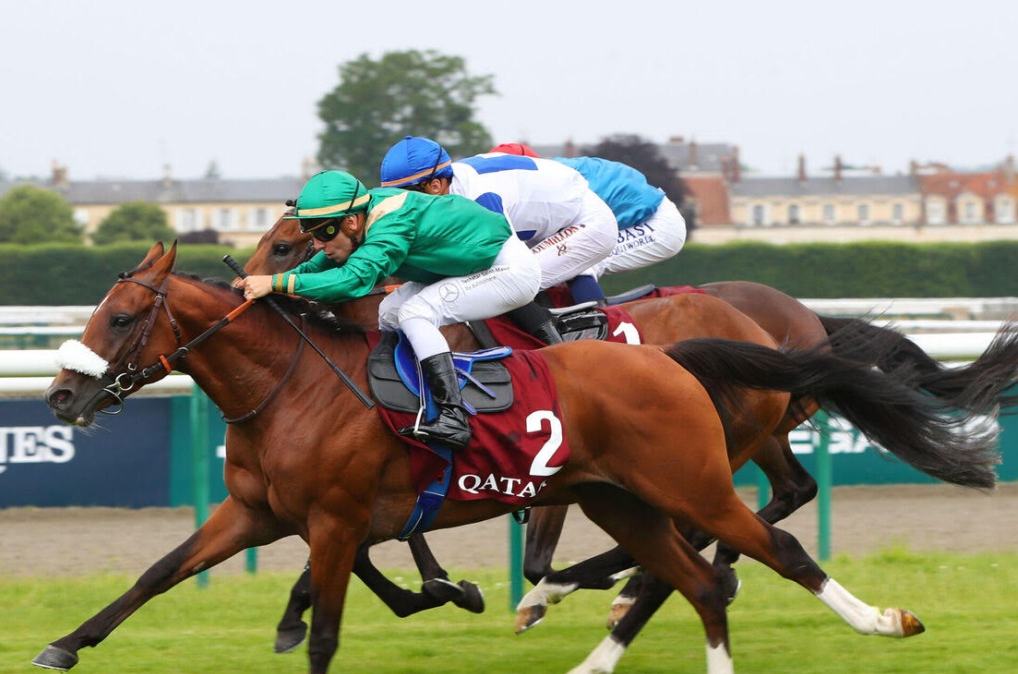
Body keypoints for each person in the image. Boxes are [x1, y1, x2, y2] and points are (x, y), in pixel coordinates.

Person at [238, 170, 540, 450]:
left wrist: (277, 282)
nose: (318, 244)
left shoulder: (390, 224)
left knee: (415, 313)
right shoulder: (358, 215)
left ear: (351, 222)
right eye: (313, 234)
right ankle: (411, 399)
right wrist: (270, 282)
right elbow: (326, 260)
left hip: (506, 269)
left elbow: (353, 280)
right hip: (464, 267)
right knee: (390, 311)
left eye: (323, 233)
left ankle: (454, 415)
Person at [379, 136, 619, 334]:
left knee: (508, 280)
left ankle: (557, 347)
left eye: (408, 196)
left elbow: (509, 270)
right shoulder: (449, 187)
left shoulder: (478, 198)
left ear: (436, 185)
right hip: (548, 214)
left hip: (587, 222)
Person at [491, 143, 688, 284]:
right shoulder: (543, 176)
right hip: (635, 216)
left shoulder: (551, 182)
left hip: (656, 223)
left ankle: (594, 332)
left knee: (578, 260)